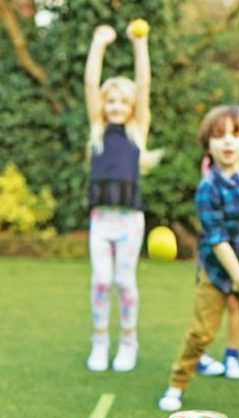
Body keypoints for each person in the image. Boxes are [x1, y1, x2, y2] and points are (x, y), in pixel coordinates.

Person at [159, 105, 239, 416]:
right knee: (201, 334)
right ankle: (177, 384)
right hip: (218, 272)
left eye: (236, 135)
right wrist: (237, 276)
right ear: (208, 145)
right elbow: (216, 238)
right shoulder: (208, 188)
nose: (228, 143)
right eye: (219, 137)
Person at [84, 22, 151, 372]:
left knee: (125, 281)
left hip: (128, 220)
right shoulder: (97, 130)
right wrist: (98, 44)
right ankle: (100, 339)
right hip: (101, 219)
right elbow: (90, 84)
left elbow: (143, 85)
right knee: (101, 280)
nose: (114, 106)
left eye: (122, 101)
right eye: (110, 100)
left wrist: (139, 44)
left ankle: (128, 340)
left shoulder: (136, 131)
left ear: (131, 107)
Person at [196, 107, 239, 380]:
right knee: (207, 312)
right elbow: (216, 229)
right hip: (216, 259)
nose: (228, 141)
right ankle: (199, 353)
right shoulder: (211, 177)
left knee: (237, 307)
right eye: (221, 135)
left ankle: (232, 353)